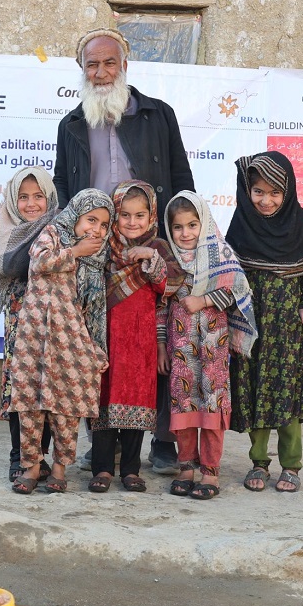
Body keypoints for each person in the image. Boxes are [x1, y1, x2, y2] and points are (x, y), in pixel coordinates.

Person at [53, 27, 195, 474]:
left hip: (149, 242)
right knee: (102, 346)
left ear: (124, 66)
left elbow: (180, 176)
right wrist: (69, 242)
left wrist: (176, 243)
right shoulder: (72, 124)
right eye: (91, 65)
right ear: (82, 70)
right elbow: (62, 185)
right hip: (96, 249)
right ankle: (106, 445)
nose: (100, 72)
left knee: (157, 343)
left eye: (108, 63)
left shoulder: (158, 115)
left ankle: (165, 441)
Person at [226, 151, 303, 493]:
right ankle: (258, 463)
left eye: (275, 193)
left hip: (290, 332)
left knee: (288, 401)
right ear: (247, 191)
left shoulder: (301, 224)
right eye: (259, 192)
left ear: (287, 192)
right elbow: (229, 274)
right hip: (252, 330)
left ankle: (291, 465)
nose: (267, 200)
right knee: (257, 397)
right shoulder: (241, 225)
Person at [8, 189, 113, 494]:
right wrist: (76, 252)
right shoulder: (52, 233)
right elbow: (40, 262)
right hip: (34, 341)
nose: (96, 229)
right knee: (29, 404)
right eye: (91, 219)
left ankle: (58, 469)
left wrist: (96, 347)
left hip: (71, 344)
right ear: (76, 215)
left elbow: (94, 308)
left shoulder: (96, 260)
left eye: (104, 225)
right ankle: (30, 468)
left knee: (67, 408)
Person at [157, 191, 257, 500]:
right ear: (169, 229)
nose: (185, 233)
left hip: (213, 351)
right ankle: (186, 466)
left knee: (211, 408)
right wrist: (161, 345)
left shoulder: (219, 255)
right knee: (184, 406)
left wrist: (202, 300)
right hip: (181, 351)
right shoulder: (168, 262)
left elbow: (237, 290)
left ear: (205, 223)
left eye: (192, 225)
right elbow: (160, 306)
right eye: (178, 227)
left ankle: (210, 472)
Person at [89, 181, 184, 493]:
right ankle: (102, 468)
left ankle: (130, 469)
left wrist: (149, 258)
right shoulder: (103, 250)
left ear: (151, 215)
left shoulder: (159, 249)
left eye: (140, 215)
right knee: (104, 401)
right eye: (125, 215)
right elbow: (90, 288)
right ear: (114, 216)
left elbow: (167, 286)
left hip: (141, 343)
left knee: (137, 403)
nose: (132, 222)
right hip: (107, 339)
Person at [0, 166, 59, 482]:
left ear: (50, 197)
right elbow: (4, 265)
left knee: (46, 389)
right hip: (19, 323)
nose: (31, 204)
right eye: (23, 197)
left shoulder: (61, 229)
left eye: (39, 196)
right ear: (13, 202)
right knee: (20, 388)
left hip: (52, 322)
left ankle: (40, 458)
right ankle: (19, 458)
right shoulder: (8, 229)